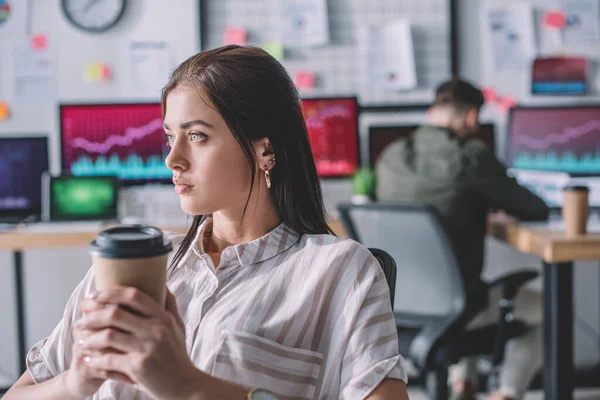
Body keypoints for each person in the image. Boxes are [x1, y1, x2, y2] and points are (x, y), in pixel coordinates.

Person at [6, 45, 409, 400]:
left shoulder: (337, 270)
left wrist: (188, 388)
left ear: (264, 150)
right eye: (170, 137)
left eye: (196, 136)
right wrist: (75, 384)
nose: (172, 159)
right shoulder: (133, 264)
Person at [376, 78, 549, 400]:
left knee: (466, 286)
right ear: (472, 117)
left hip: (399, 305)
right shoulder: (470, 156)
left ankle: (462, 387)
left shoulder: (391, 156)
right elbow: (534, 208)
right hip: (457, 307)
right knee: (549, 310)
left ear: (432, 112)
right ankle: (506, 394)